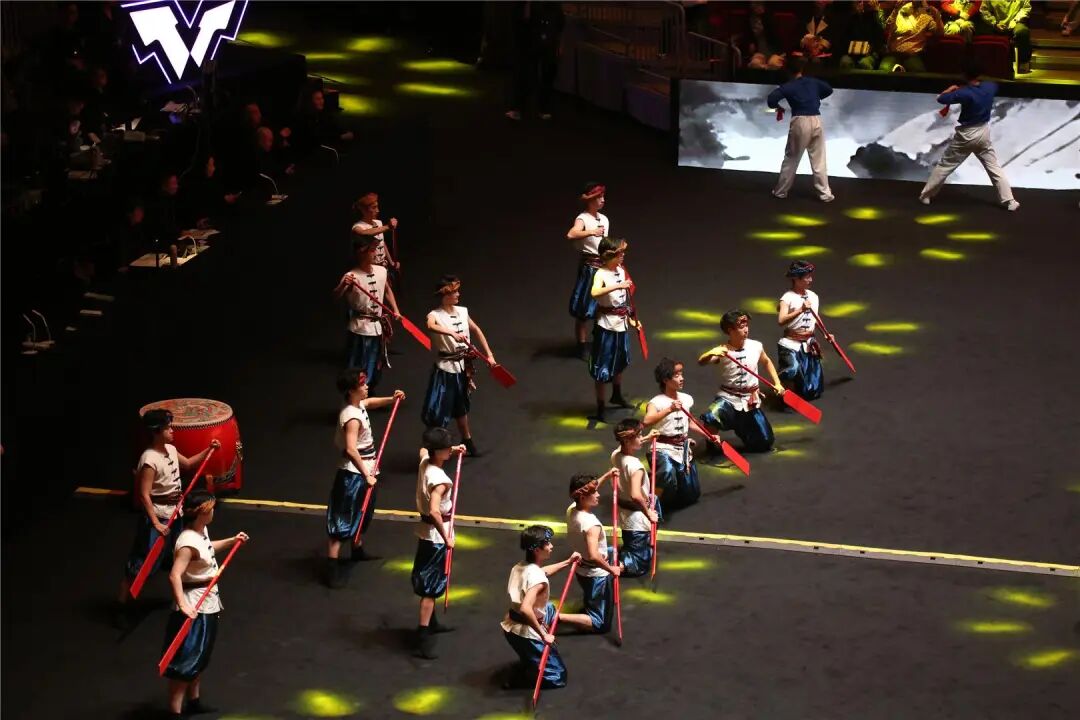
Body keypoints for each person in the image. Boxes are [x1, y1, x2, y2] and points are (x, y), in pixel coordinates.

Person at [116, 409, 219, 628]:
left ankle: (182, 599)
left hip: (176, 513)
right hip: (159, 517)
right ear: (157, 431)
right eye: (168, 428)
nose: (172, 431)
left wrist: (208, 450)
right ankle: (122, 605)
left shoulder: (170, 449)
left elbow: (188, 464)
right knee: (142, 562)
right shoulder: (149, 459)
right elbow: (144, 494)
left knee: (178, 554)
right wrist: (155, 523)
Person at [162, 490, 248, 720]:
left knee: (199, 657)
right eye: (211, 509)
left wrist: (232, 541)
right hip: (194, 607)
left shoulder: (201, 532)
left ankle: (194, 701)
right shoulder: (187, 543)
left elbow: (207, 549)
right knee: (185, 662)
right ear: (201, 513)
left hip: (208, 601)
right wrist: (183, 605)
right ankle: (174, 712)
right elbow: (174, 575)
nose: (213, 512)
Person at [324, 369, 405, 588]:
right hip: (353, 474)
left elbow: (369, 403)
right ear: (352, 390)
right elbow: (351, 449)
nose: (367, 386)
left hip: (367, 468)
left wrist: (391, 399)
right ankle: (331, 566)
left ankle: (357, 549)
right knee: (343, 517)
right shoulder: (351, 417)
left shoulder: (357, 405)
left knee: (362, 511)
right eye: (362, 385)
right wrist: (366, 474)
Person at [918, 62, 1019, 211]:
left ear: (965, 75)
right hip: (983, 131)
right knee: (994, 167)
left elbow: (941, 99)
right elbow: (990, 84)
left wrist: (951, 89)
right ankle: (1010, 201)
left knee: (946, 165)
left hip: (966, 134)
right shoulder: (990, 86)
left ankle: (926, 195)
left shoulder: (964, 92)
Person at [499, 525, 590, 689]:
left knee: (549, 608)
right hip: (524, 632)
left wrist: (568, 562)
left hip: (512, 621)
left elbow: (542, 572)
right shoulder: (537, 581)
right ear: (537, 550)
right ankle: (519, 677)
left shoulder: (520, 566)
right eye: (547, 543)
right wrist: (544, 635)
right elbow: (526, 608)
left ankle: (531, 658)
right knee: (558, 676)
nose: (551, 546)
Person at [422, 275, 497, 457]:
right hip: (445, 371)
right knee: (438, 410)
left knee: (461, 407)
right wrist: (450, 332)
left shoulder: (463, 312)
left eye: (457, 291)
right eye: (454, 292)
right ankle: (433, 446)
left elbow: (477, 330)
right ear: (445, 294)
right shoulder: (435, 315)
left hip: (462, 369)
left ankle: (467, 440)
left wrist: (490, 355)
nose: (458, 294)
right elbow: (430, 326)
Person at [411, 428, 465, 659]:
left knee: (428, 579)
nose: (449, 450)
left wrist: (454, 449)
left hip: (425, 532)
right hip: (435, 536)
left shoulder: (425, 461)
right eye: (446, 448)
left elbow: (423, 450)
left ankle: (431, 623)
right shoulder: (441, 481)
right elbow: (435, 511)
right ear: (438, 451)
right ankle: (422, 635)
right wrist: (446, 537)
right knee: (431, 587)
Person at [698, 311, 783, 453]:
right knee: (711, 417)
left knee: (765, 441)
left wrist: (777, 383)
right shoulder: (723, 351)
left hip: (750, 401)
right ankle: (712, 445)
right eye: (741, 326)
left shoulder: (756, 346)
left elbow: (766, 361)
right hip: (728, 398)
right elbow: (702, 361)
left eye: (746, 325)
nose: (746, 329)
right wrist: (711, 352)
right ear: (730, 330)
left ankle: (745, 430)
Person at [333, 234, 402, 390]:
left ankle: (368, 391)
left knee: (374, 363)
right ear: (361, 253)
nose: (375, 253)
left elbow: (387, 290)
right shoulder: (351, 276)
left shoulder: (381, 271)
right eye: (372, 250)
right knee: (357, 363)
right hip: (359, 329)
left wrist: (396, 310)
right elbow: (336, 296)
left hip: (376, 328)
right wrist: (342, 285)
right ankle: (354, 392)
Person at [767, 56, 835, 203]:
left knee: (791, 158)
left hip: (800, 121)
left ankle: (781, 191)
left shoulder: (789, 86)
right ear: (802, 69)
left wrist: (778, 107)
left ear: (787, 71)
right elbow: (829, 90)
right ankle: (825, 194)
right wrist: (815, 98)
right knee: (819, 159)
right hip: (816, 119)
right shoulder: (813, 82)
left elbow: (771, 100)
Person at [565, 472, 621, 634]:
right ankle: (557, 617)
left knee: (612, 551)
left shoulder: (571, 510)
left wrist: (608, 475)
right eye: (594, 493)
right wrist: (612, 569)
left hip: (581, 568)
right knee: (600, 624)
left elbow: (588, 489)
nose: (598, 495)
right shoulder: (591, 525)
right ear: (583, 497)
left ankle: (591, 602)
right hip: (596, 574)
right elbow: (594, 555)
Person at [643, 358, 702, 509]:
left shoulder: (686, 399)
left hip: (682, 449)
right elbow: (647, 421)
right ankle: (651, 501)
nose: (681, 378)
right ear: (665, 380)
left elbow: (690, 422)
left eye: (681, 374)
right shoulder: (656, 402)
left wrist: (709, 436)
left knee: (691, 495)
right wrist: (669, 409)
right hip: (662, 448)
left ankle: (658, 482)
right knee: (667, 472)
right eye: (676, 375)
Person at [589, 236, 636, 420]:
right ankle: (600, 406)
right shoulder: (601, 274)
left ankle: (616, 394)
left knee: (621, 361)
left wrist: (631, 317)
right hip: (606, 327)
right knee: (602, 367)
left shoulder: (621, 270)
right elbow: (594, 292)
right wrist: (617, 286)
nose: (623, 256)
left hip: (621, 324)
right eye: (620, 253)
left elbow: (625, 298)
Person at [566, 182, 610, 360]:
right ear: (590, 200)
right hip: (589, 268)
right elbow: (571, 234)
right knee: (584, 308)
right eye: (599, 197)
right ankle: (582, 345)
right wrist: (591, 232)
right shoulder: (582, 218)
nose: (602, 200)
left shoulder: (604, 219)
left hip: (603, 267)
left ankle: (599, 342)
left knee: (603, 308)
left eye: (603, 196)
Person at [610, 419, 659, 577]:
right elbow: (635, 495)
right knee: (640, 563)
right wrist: (648, 513)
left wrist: (648, 437)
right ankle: (612, 566)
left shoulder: (616, 455)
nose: (641, 438)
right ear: (627, 440)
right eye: (639, 436)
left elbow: (628, 445)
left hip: (625, 514)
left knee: (633, 545)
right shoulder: (635, 466)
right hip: (637, 519)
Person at [777, 260, 829, 401]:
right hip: (791, 344)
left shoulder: (813, 296)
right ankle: (781, 384)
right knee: (792, 369)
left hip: (808, 344)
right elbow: (781, 320)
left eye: (810, 276)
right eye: (807, 277)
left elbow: (815, 317)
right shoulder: (787, 298)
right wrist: (800, 310)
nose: (810, 280)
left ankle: (798, 390)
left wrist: (825, 333)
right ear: (796, 278)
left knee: (812, 389)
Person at [505, 1, 564, 121]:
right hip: (528, 39)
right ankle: (518, 108)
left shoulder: (553, 5)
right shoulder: (523, 4)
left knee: (548, 73)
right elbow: (518, 19)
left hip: (547, 38)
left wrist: (558, 41)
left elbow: (559, 22)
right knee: (524, 74)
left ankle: (543, 108)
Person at [880, 1, 944, 73]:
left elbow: (939, 33)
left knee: (918, 73)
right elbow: (887, 28)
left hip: (913, 54)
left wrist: (937, 16)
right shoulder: (900, 11)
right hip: (894, 53)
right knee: (884, 70)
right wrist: (896, 10)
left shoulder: (926, 15)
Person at [350, 192, 400, 275]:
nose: (377, 210)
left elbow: (382, 243)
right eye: (374, 207)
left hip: (383, 267)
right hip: (369, 270)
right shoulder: (358, 227)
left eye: (377, 206)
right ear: (363, 210)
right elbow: (363, 233)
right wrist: (388, 226)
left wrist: (391, 262)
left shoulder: (378, 223)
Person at [979, 0, 1031, 73]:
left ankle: (1023, 62)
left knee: (1022, 31)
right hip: (996, 23)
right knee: (982, 32)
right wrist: (994, 23)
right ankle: (988, 65)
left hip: (1016, 22)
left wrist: (1015, 20)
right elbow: (984, 10)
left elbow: (1026, 8)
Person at [838, 1, 886, 70]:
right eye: (858, 2)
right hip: (853, 53)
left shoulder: (872, 17)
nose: (861, 4)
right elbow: (844, 40)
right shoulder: (851, 18)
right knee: (845, 61)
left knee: (864, 63)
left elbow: (880, 38)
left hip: (870, 54)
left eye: (862, 2)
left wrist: (875, 12)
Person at [748, 2, 786, 70]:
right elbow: (749, 34)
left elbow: (775, 36)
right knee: (755, 64)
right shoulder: (751, 18)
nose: (756, 25)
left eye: (758, 22)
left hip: (774, 52)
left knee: (773, 64)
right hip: (760, 53)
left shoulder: (769, 18)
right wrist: (751, 42)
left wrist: (764, 16)